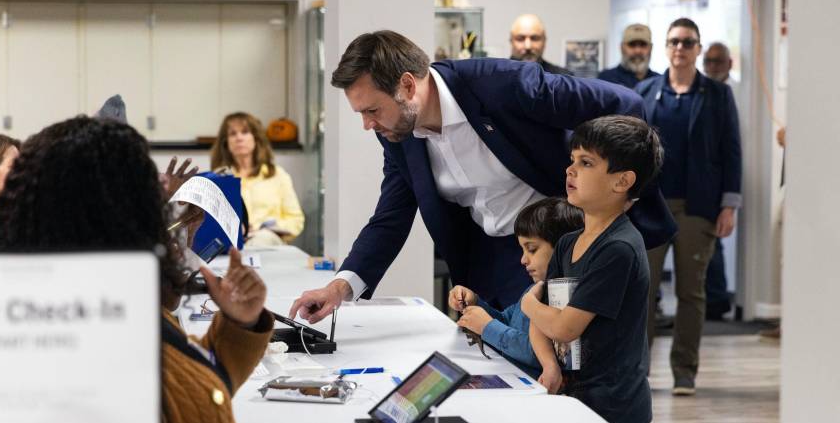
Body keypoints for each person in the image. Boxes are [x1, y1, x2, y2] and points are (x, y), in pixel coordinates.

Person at [0, 116, 323, 423]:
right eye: (149, 193)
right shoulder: (69, 338)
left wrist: (239, 323)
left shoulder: (101, 297)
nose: (165, 209)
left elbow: (186, 396)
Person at [289, 30, 676, 324]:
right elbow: (390, 217)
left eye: (372, 110)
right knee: (491, 358)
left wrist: (612, 192)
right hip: (483, 256)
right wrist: (341, 288)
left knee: (550, 364)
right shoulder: (397, 134)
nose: (367, 124)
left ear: (408, 85)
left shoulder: (503, 85)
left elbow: (625, 104)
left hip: (554, 244)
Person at [520, 115, 664, 423]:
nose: (570, 170)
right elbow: (543, 322)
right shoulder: (569, 242)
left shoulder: (619, 248)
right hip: (575, 400)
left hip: (614, 411)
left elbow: (564, 327)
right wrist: (549, 366)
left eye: (586, 163)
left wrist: (527, 303)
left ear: (622, 181)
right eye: (572, 160)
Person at [636, 19, 742, 395]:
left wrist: (729, 205)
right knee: (642, 290)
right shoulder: (646, 92)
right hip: (650, 207)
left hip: (699, 207)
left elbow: (731, 151)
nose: (680, 48)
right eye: (674, 42)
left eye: (687, 42)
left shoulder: (716, 95)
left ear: (698, 49)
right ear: (665, 48)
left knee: (691, 292)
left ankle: (684, 372)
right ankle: (639, 372)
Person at [449, 197, 583, 385]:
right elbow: (506, 321)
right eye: (522, 250)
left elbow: (545, 356)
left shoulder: (567, 299)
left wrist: (487, 327)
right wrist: (474, 303)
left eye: (532, 249)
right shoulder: (533, 290)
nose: (523, 260)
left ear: (563, 248)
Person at [211, 111, 304, 246]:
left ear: (256, 138)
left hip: (267, 242)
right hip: (232, 242)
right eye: (233, 134)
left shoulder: (278, 175)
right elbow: (208, 223)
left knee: (260, 239)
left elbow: (296, 220)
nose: (239, 138)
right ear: (226, 143)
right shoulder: (218, 178)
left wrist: (264, 228)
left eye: (245, 132)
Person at [702, 41, 735, 319]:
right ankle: (715, 298)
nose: (713, 66)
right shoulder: (703, 93)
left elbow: (732, 150)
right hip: (698, 185)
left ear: (729, 63)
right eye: (709, 61)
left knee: (713, 246)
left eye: (718, 61)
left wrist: (729, 201)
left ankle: (717, 298)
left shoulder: (726, 94)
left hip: (714, 186)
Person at [509, 13, 574, 75]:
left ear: (544, 41)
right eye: (520, 38)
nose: (528, 46)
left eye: (535, 38)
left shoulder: (563, 78)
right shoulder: (499, 77)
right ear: (511, 41)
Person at [598, 23, 659, 89]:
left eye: (643, 45)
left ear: (651, 48)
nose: (638, 51)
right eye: (632, 44)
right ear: (622, 48)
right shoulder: (606, 80)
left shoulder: (659, 82)